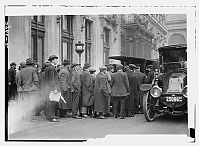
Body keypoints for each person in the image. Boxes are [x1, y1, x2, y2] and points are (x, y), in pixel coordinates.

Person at [45, 55, 60, 122]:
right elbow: (52, 79)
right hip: (51, 88)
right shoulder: (51, 68)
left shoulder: (50, 67)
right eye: (56, 59)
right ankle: (51, 117)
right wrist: (54, 88)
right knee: (51, 102)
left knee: (50, 102)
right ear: (52, 60)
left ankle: (50, 116)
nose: (57, 61)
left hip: (49, 87)